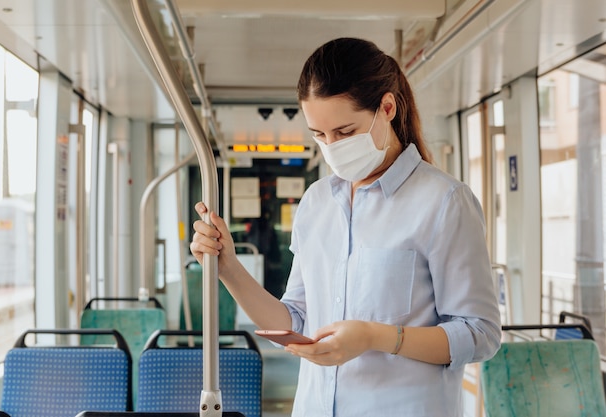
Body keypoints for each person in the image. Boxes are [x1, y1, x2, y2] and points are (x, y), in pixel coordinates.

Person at [190, 37, 501, 417]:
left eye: (345, 132)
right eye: (319, 135)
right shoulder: (317, 202)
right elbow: (297, 319)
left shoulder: (443, 201)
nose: (332, 146)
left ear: (387, 108)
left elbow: (480, 334)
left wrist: (375, 337)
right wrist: (228, 269)